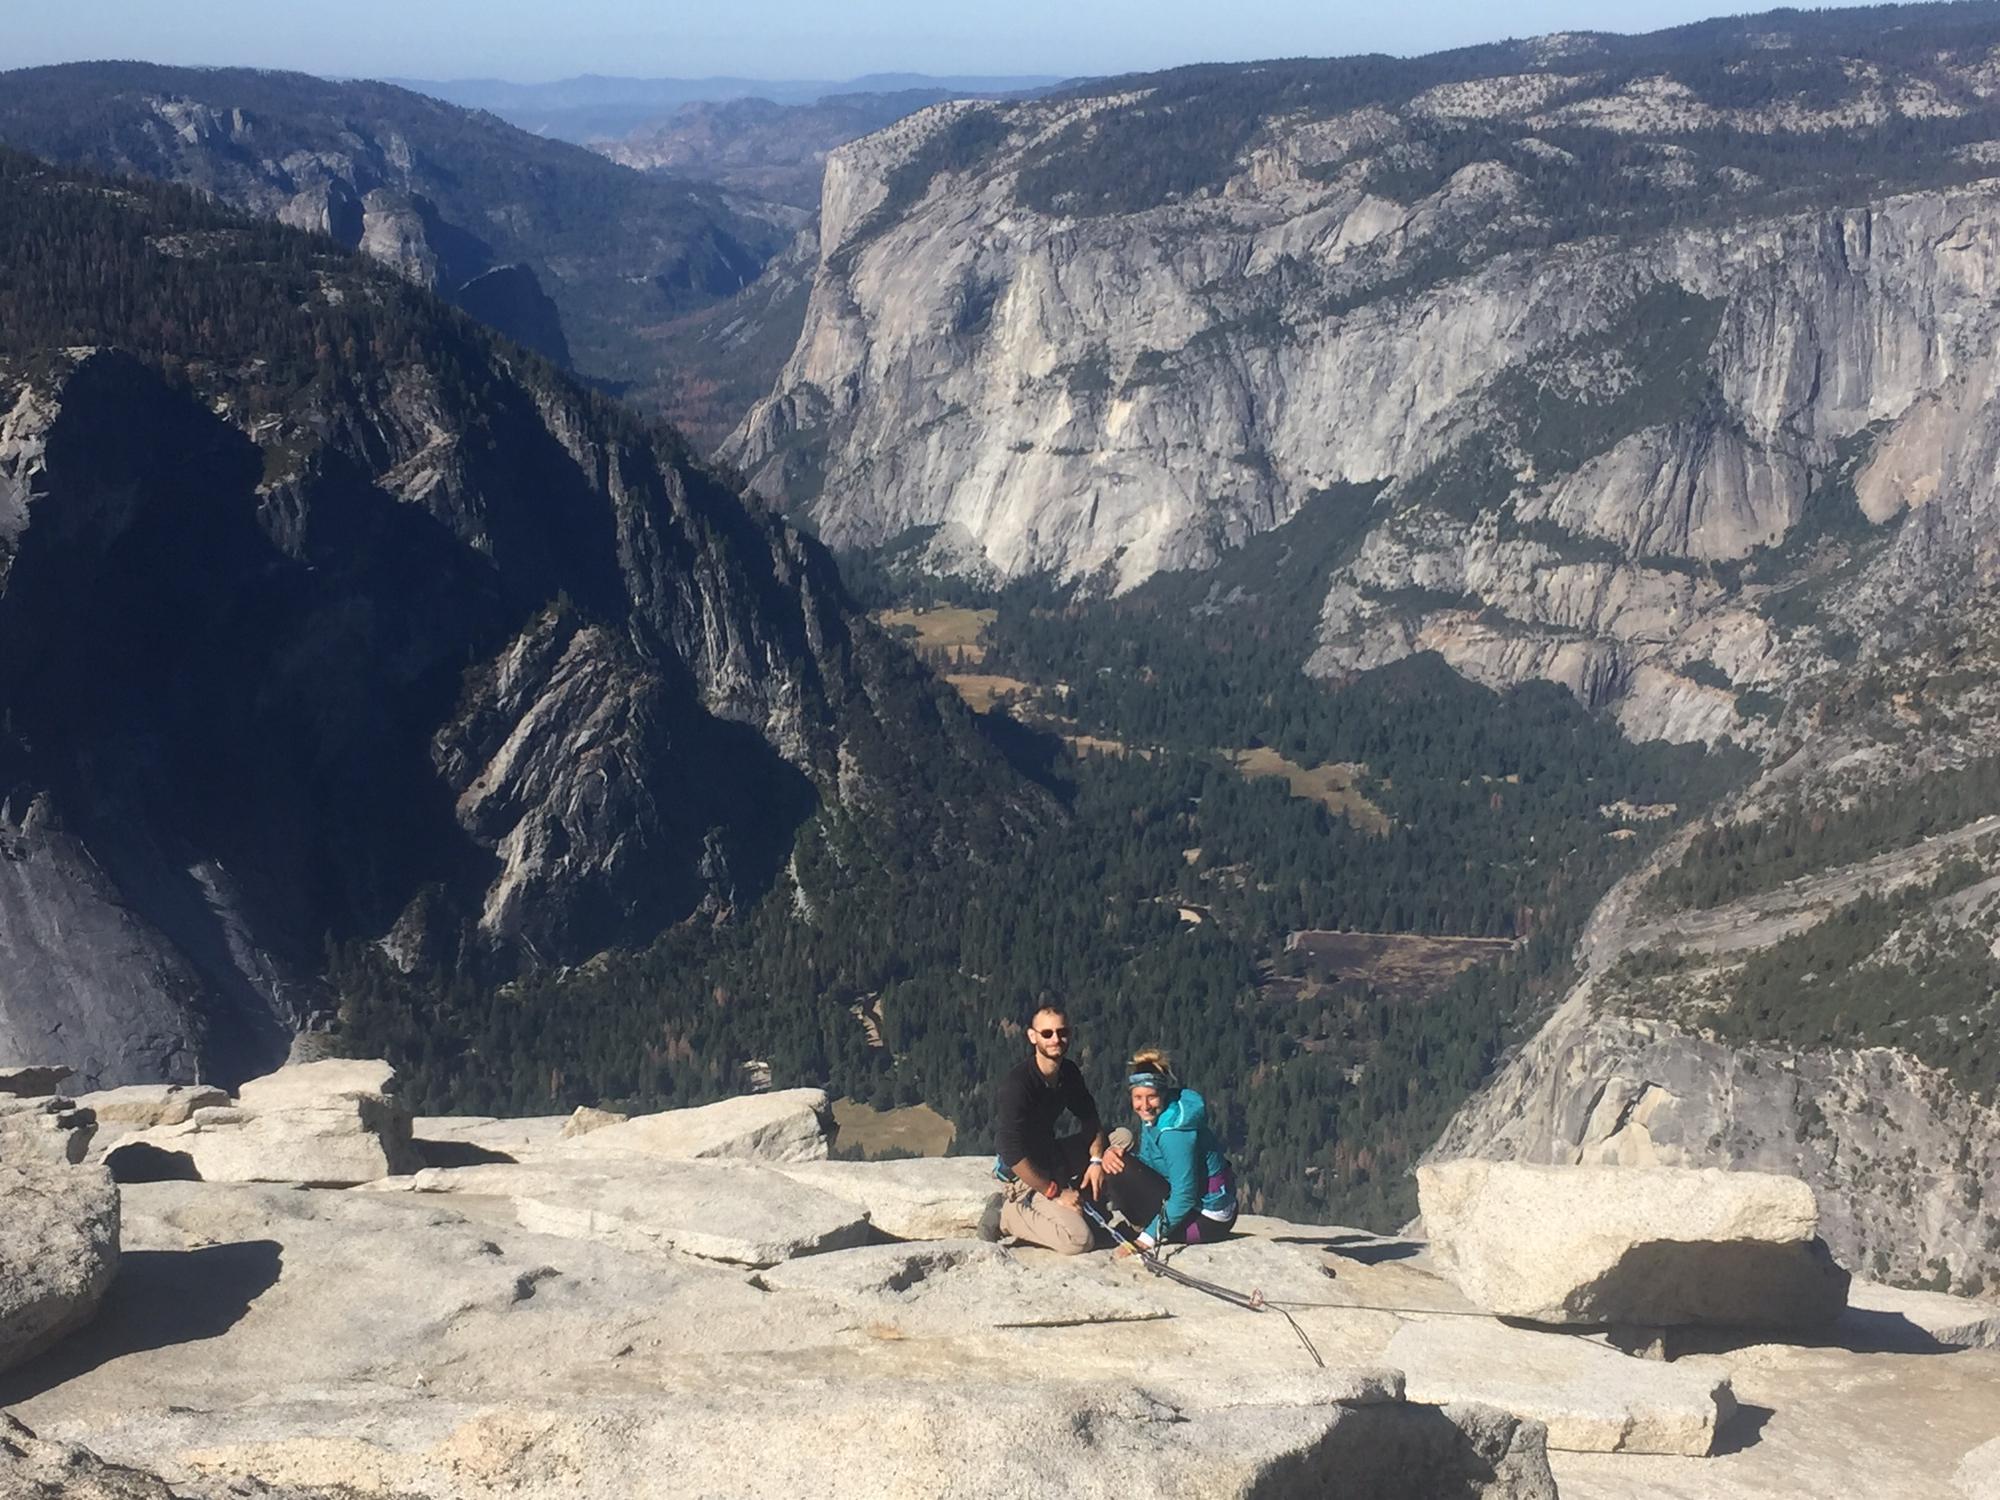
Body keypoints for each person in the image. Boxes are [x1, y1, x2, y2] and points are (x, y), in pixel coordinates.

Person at [987, 1002, 1108, 1254]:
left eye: (1062, 1032)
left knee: (1121, 1140)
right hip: (1027, 1172)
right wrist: (1055, 1192)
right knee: (1079, 1240)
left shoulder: (1068, 1072)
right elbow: (1009, 1149)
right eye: (1047, 1033)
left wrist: (1096, 1160)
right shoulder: (1018, 1086)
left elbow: (1090, 1118)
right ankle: (1008, 1215)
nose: (1056, 1039)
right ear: (1032, 1037)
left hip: (1052, 1154)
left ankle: (1088, 1197)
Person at [1100, 1048, 1238, 1249]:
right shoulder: (1158, 1116)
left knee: (1119, 1169)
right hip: (1208, 1206)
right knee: (1117, 1162)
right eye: (1138, 1097)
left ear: (1163, 1094)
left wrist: (1147, 1239)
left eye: (1151, 1097)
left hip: (1207, 1220)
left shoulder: (1174, 1132)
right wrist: (1115, 1154)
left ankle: (1142, 1227)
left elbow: (1185, 1195)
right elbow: (1153, 1162)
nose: (1145, 1105)